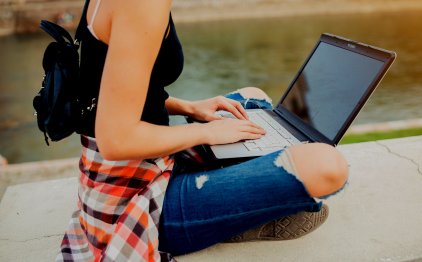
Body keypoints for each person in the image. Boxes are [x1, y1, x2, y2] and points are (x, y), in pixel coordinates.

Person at [56, 0, 348, 261]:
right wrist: (208, 134)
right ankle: (226, 222)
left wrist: (190, 107)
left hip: (123, 171)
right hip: (134, 199)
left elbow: (111, 92)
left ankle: (238, 178)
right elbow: (117, 139)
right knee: (328, 165)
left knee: (252, 98)